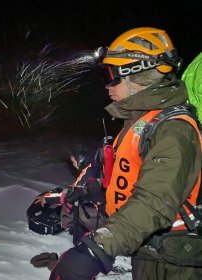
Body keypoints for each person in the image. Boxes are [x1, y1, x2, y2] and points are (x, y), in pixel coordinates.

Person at [31, 27, 202, 280]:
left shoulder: (173, 130)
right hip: (147, 248)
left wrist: (96, 250)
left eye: (112, 76)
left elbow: (154, 202)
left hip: (174, 262)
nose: (107, 85)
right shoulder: (141, 120)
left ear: (138, 75)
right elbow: (129, 173)